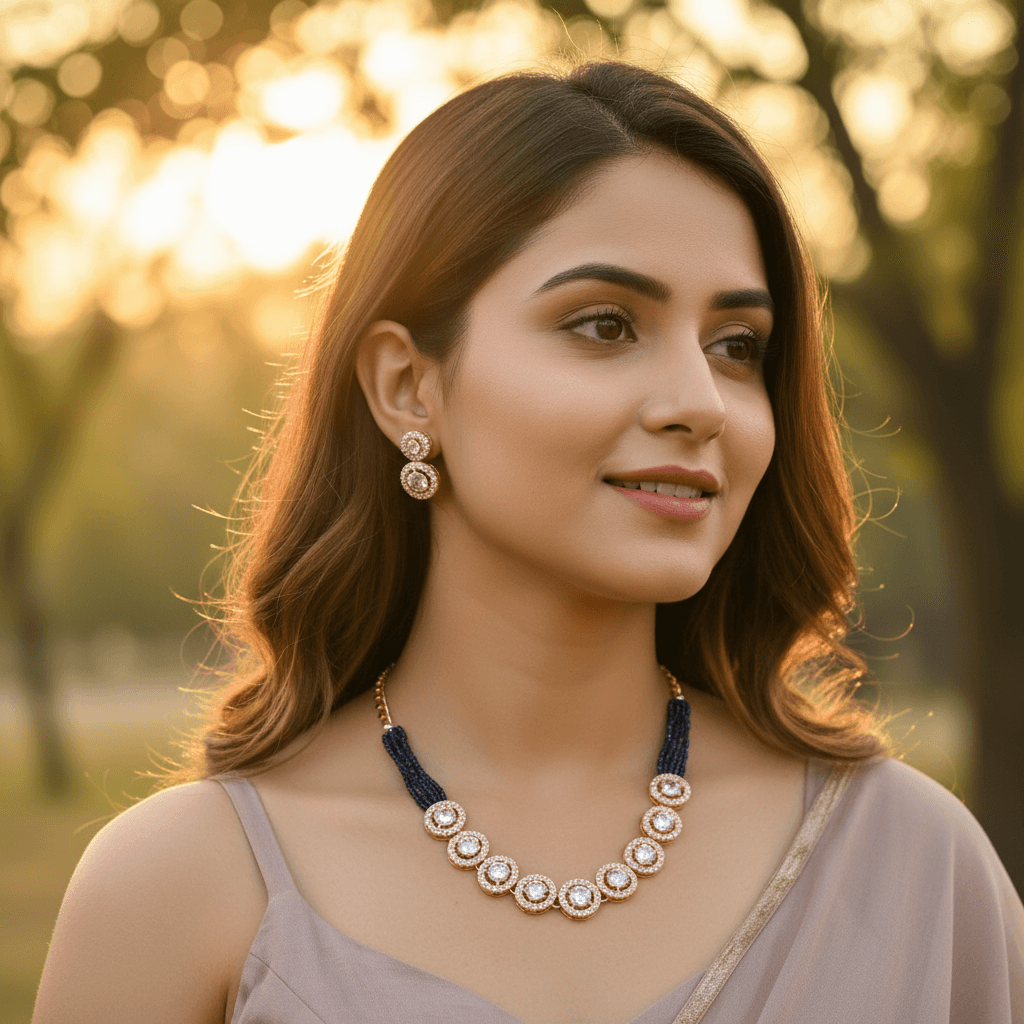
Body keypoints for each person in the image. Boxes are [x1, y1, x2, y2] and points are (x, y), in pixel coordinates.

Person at [32, 60, 1022, 1024]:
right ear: (406, 387)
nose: (697, 403)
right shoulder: (181, 889)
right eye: (603, 325)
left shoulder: (912, 866)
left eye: (736, 347)